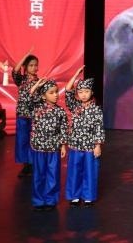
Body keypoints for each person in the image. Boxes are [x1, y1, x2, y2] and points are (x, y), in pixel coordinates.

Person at [64, 67, 105, 206]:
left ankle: (88, 196)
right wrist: (76, 74)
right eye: (80, 92)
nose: (83, 95)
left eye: (86, 91)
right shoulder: (75, 106)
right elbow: (68, 90)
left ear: (91, 92)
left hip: (90, 146)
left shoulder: (96, 109)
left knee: (90, 171)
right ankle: (74, 196)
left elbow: (99, 127)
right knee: (74, 170)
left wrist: (97, 145)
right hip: (75, 145)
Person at [29, 78, 68, 211]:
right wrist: (36, 86)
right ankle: (38, 200)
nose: (56, 95)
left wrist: (63, 145)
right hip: (39, 147)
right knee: (39, 175)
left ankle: (50, 200)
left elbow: (63, 129)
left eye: (56, 92)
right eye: (51, 92)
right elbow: (29, 97)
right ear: (43, 96)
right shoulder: (36, 107)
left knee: (53, 174)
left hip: (53, 148)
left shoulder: (60, 111)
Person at [11, 48, 39, 178]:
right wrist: (25, 55)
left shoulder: (39, 82)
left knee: (33, 140)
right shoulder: (21, 80)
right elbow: (15, 71)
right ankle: (25, 165)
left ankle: (33, 164)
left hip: (34, 116)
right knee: (22, 140)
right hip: (22, 115)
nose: (34, 67)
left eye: (35, 65)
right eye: (31, 65)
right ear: (25, 67)